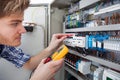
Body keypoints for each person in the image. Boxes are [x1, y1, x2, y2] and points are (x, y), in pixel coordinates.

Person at [0, 0, 73, 80]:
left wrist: (51, 48)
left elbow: (29, 64)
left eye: (21, 22)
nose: (23, 30)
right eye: (14, 23)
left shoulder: (3, 46)